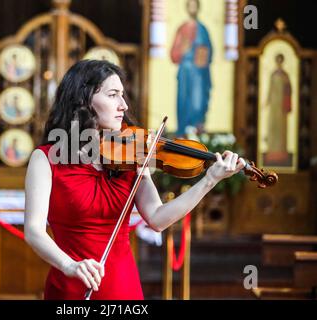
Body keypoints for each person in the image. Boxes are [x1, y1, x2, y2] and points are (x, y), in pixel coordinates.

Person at [24, 60, 244, 300]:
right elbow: (34, 231)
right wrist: (70, 266)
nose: (123, 105)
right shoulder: (45, 159)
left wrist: (209, 180)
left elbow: (158, 218)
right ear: (84, 100)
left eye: (123, 95)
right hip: (69, 286)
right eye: (113, 95)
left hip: (121, 285)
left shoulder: (133, 155)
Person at [170, 0, 212, 136]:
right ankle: (183, 132)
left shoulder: (203, 29)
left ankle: (196, 131)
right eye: (190, 6)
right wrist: (183, 50)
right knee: (184, 102)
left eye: (195, 6)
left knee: (197, 102)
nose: (192, 9)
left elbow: (209, 52)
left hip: (199, 74)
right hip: (185, 72)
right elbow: (174, 54)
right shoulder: (182, 29)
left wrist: (201, 57)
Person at [264, 53, 292, 166]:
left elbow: (289, 90)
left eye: (281, 61)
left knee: (281, 130)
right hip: (274, 106)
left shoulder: (285, 75)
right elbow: (270, 89)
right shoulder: (273, 74)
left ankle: (281, 153)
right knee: (272, 127)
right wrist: (267, 101)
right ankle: (271, 152)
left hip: (281, 106)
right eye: (277, 60)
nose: (279, 63)